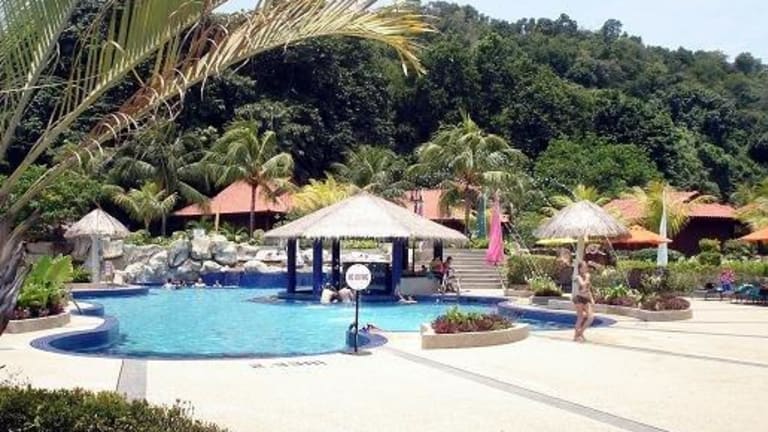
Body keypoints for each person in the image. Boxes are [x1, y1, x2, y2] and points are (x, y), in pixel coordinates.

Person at [572, 261, 594, 342]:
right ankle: (576, 336)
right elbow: (583, 285)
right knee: (580, 317)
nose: (585, 269)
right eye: (583, 267)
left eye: (586, 267)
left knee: (591, 317)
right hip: (579, 299)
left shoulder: (587, 276)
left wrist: (591, 299)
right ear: (580, 269)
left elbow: (588, 289)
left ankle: (580, 333)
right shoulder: (578, 277)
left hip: (586, 299)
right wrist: (587, 278)